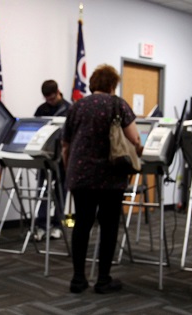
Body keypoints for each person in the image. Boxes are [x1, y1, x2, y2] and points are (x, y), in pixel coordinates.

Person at [62, 64, 143, 294]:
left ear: (94, 84)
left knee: (82, 224)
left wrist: (70, 172)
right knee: (108, 227)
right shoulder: (118, 105)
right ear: (111, 85)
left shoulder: (76, 107)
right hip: (110, 175)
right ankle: (103, 280)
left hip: (81, 175)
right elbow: (134, 138)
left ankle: (78, 279)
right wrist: (138, 148)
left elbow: (65, 145)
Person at [33, 80, 71, 241]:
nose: (50, 101)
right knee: (42, 191)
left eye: (52, 98)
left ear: (58, 92)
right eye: (47, 99)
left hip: (62, 158)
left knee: (61, 192)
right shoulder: (41, 110)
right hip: (45, 157)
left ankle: (57, 225)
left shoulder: (69, 109)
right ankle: (41, 225)